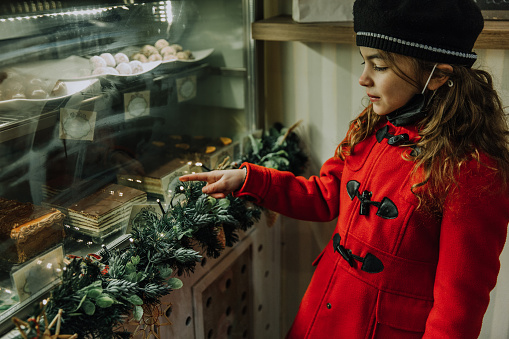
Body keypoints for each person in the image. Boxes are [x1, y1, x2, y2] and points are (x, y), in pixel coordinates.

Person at [180, 0, 509, 337]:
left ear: (437, 75)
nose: (363, 78)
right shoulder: (370, 127)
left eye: (378, 66)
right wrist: (250, 179)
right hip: (321, 311)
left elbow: (458, 308)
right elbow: (325, 196)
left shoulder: (473, 171)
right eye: (363, 61)